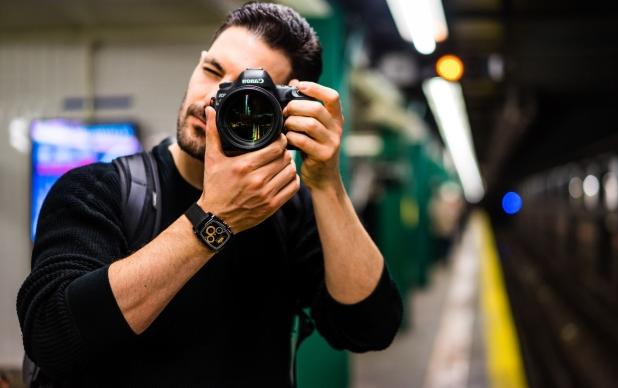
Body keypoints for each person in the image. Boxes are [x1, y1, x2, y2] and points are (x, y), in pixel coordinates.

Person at [16, 3, 402, 387]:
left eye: (243, 94)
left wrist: (326, 183)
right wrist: (214, 218)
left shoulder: (287, 209)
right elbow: (52, 335)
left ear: (285, 114)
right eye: (213, 71)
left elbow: (370, 328)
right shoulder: (100, 190)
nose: (212, 103)